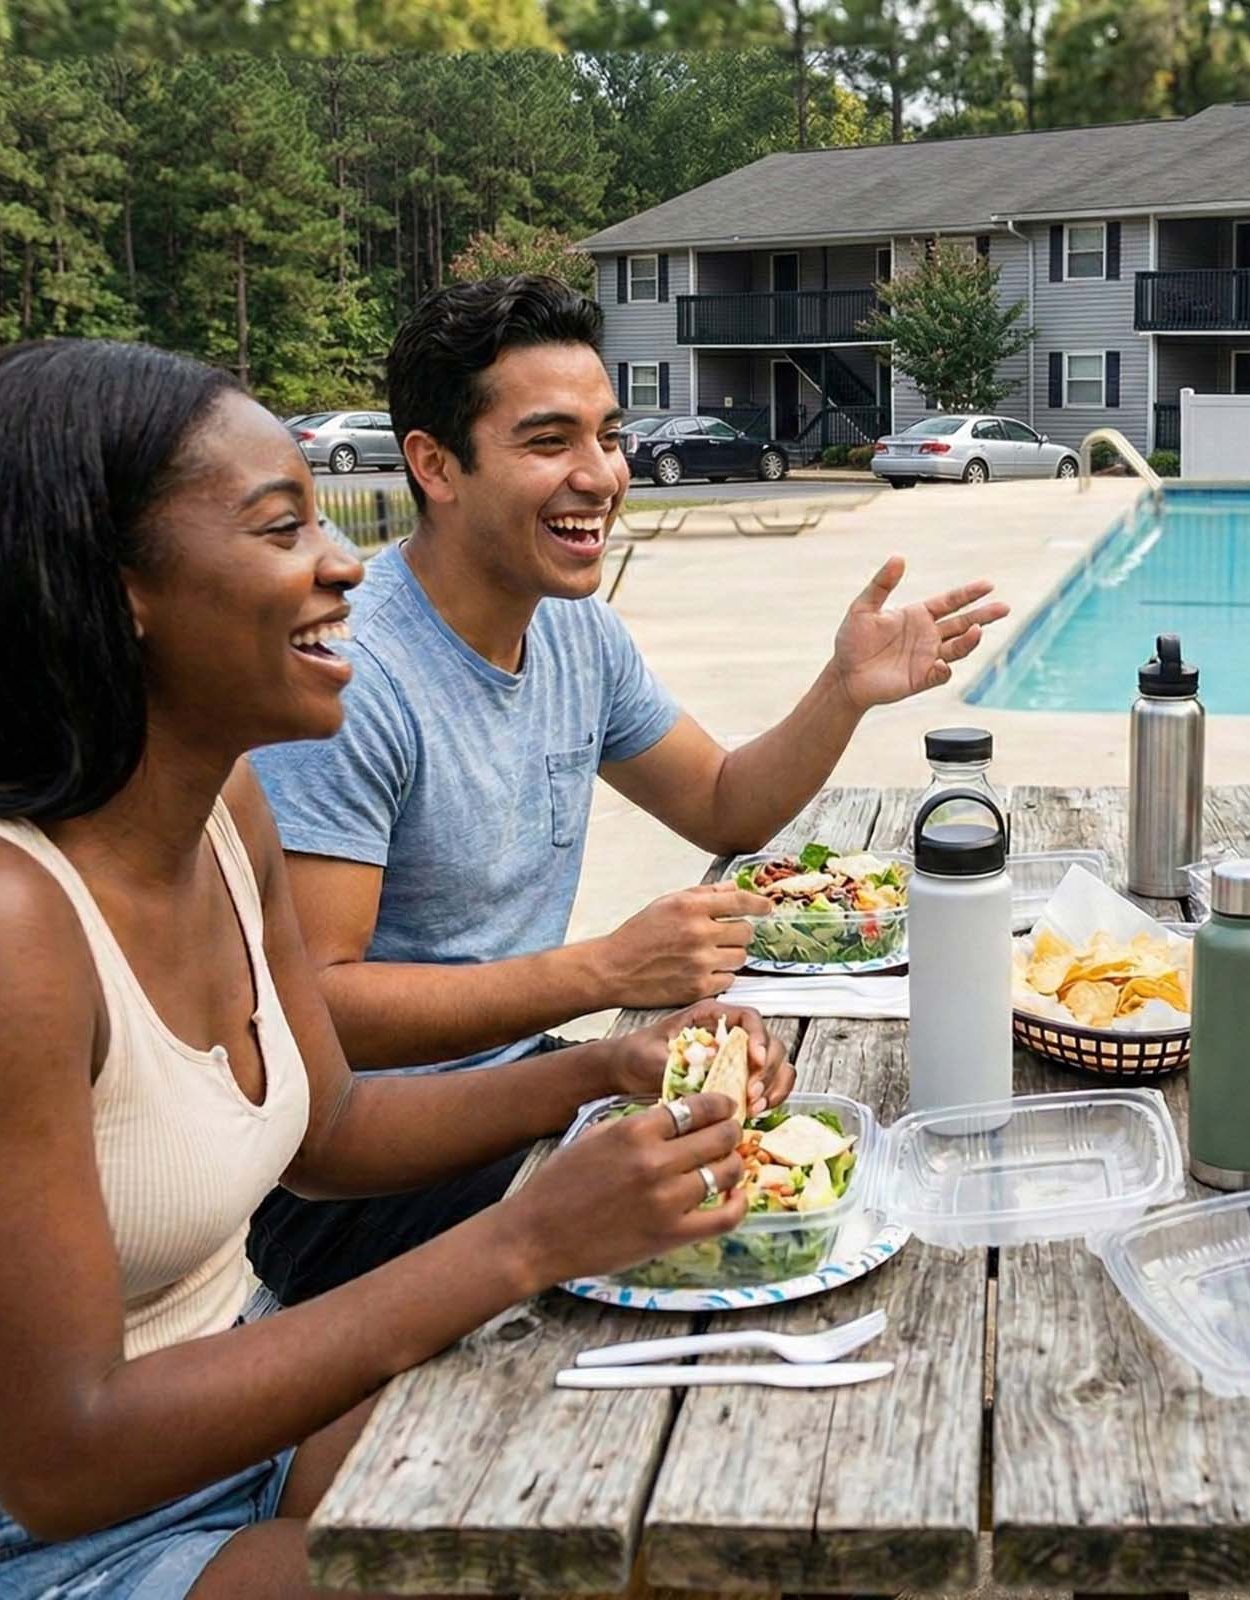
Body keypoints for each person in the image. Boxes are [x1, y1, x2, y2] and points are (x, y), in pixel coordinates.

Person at [0, 338, 794, 1597]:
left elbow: (329, 1126)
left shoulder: (223, 809)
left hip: (235, 1399)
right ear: (115, 583)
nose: (344, 561)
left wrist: (607, 1070)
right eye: (284, 528)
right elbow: (58, 1452)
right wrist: (525, 1237)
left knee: (686, 1504)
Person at [245, 276, 1005, 1306]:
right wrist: (605, 971)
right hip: (360, 1182)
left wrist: (845, 688)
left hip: (526, 1090)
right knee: (768, 1248)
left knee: (851, 1188)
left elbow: (726, 805)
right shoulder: (355, 676)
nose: (601, 474)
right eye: (549, 441)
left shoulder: (574, 633)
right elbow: (316, 1010)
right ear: (435, 465)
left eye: (607, 435)